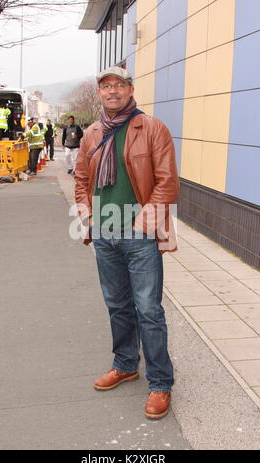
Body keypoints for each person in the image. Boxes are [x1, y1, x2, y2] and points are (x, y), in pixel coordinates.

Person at [74, 66, 180, 419]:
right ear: (99, 93)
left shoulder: (151, 128)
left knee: (148, 309)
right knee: (117, 304)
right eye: (106, 86)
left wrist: (142, 223)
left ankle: (161, 383)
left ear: (130, 89)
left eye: (119, 85)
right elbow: (81, 179)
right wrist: (88, 218)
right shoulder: (91, 133)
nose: (113, 91)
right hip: (104, 233)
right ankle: (125, 364)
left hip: (139, 235)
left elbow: (167, 182)